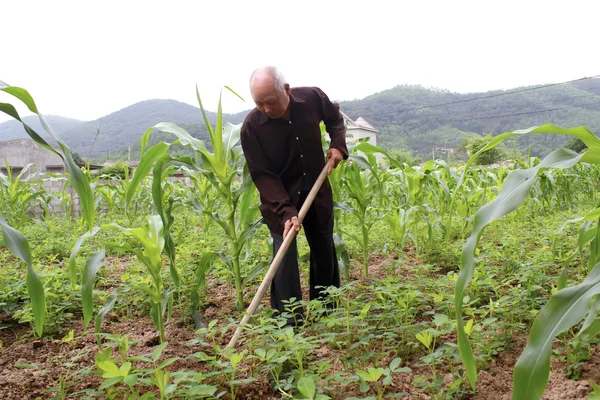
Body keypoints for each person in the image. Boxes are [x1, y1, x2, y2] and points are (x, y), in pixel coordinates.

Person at [240, 66, 348, 326]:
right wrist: (286, 212)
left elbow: (335, 119)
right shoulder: (252, 128)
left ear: (286, 90)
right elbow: (263, 175)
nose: (266, 109)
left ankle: (326, 311)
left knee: (323, 248)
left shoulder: (311, 98)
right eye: (259, 104)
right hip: (280, 200)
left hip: (316, 190)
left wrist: (337, 145)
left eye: (271, 102)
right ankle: (288, 322)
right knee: (284, 257)